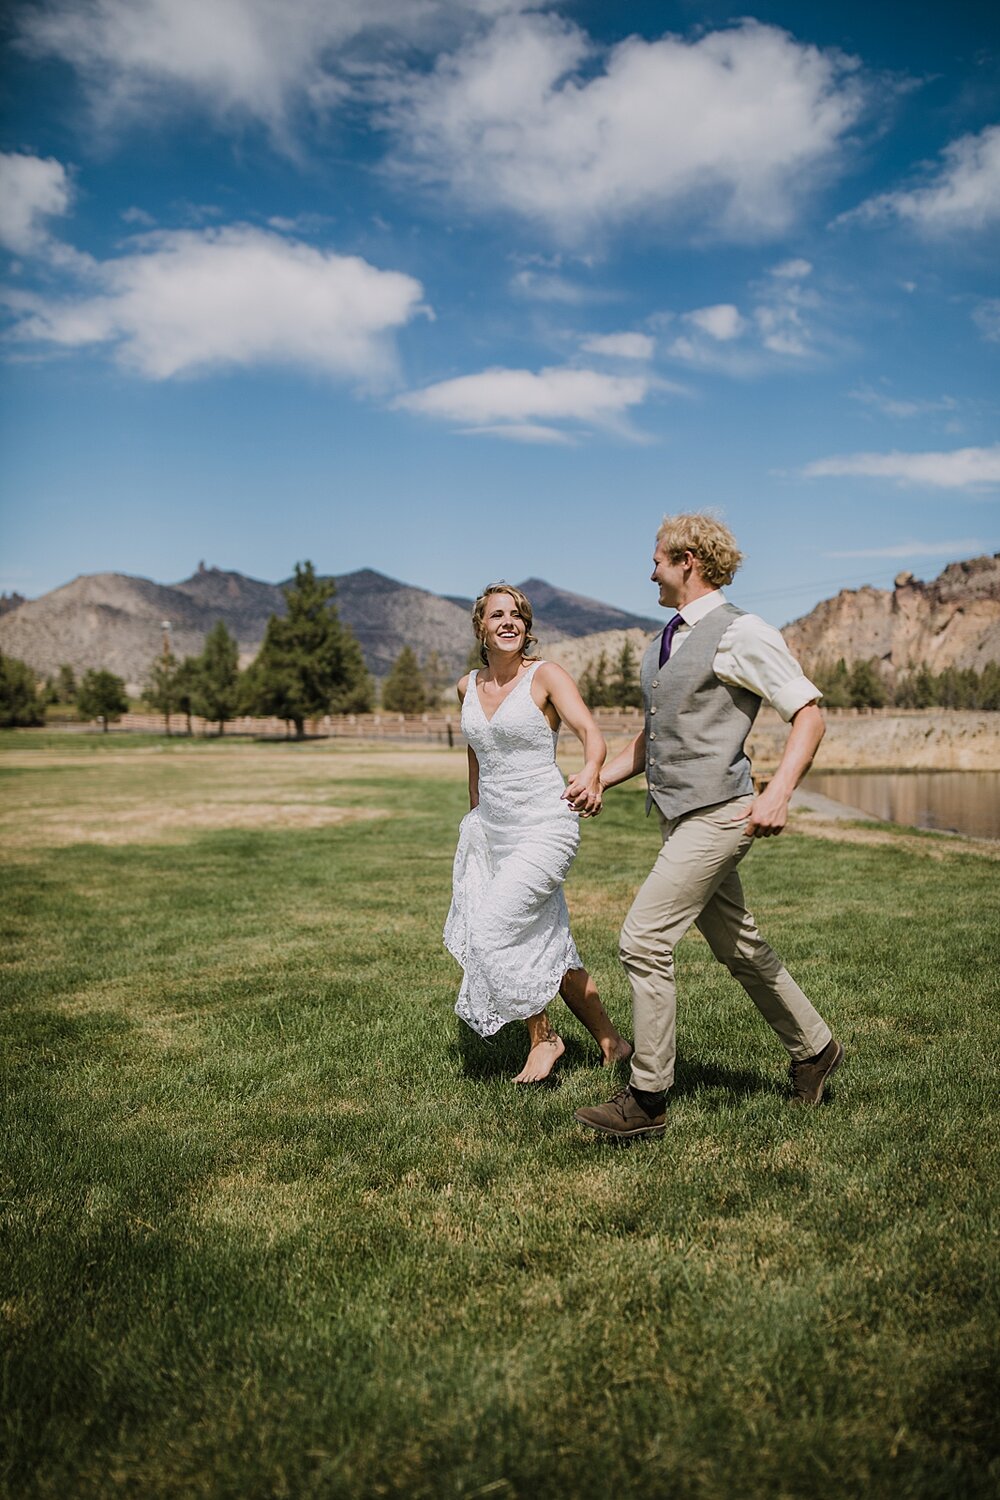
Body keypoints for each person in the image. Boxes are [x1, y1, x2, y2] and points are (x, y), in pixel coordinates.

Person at [574, 513, 843, 1139]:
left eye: (658, 559)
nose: (651, 569)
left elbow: (808, 714)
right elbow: (655, 736)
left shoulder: (741, 632)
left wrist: (777, 792)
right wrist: (598, 780)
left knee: (642, 939)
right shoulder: (667, 638)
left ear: (687, 559)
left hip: (722, 814)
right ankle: (816, 1048)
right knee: (739, 946)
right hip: (679, 817)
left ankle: (646, 1099)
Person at [444, 582, 632, 1083]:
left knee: (491, 930)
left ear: (526, 627)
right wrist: (476, 818)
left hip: (546, 825)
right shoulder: (468, 686)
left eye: (517, 616)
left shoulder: (545, 677)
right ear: (481, 626)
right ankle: (614, 1044)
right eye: (497, 615)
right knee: (552, 947)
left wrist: (592, 772)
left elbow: (592, 733)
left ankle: (544, 1038)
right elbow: (476, 756)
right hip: (494, 831)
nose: (509, 622)